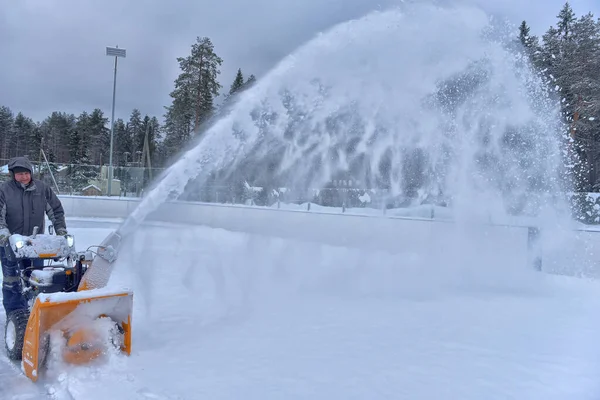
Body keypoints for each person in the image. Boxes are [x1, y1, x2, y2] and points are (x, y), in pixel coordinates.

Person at [0, 156, 68, 316]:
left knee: (36, 279)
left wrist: (61, 230)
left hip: (35, 245)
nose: (23, 177)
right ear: (12, 175)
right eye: (19, 174)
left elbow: (56, 211)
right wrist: (4, 234)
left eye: (25, 173)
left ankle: (35, 312)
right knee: (12, 280)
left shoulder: (42, 189)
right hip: (10, 245)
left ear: (30, 172)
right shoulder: (4, 190)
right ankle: (15, 315)